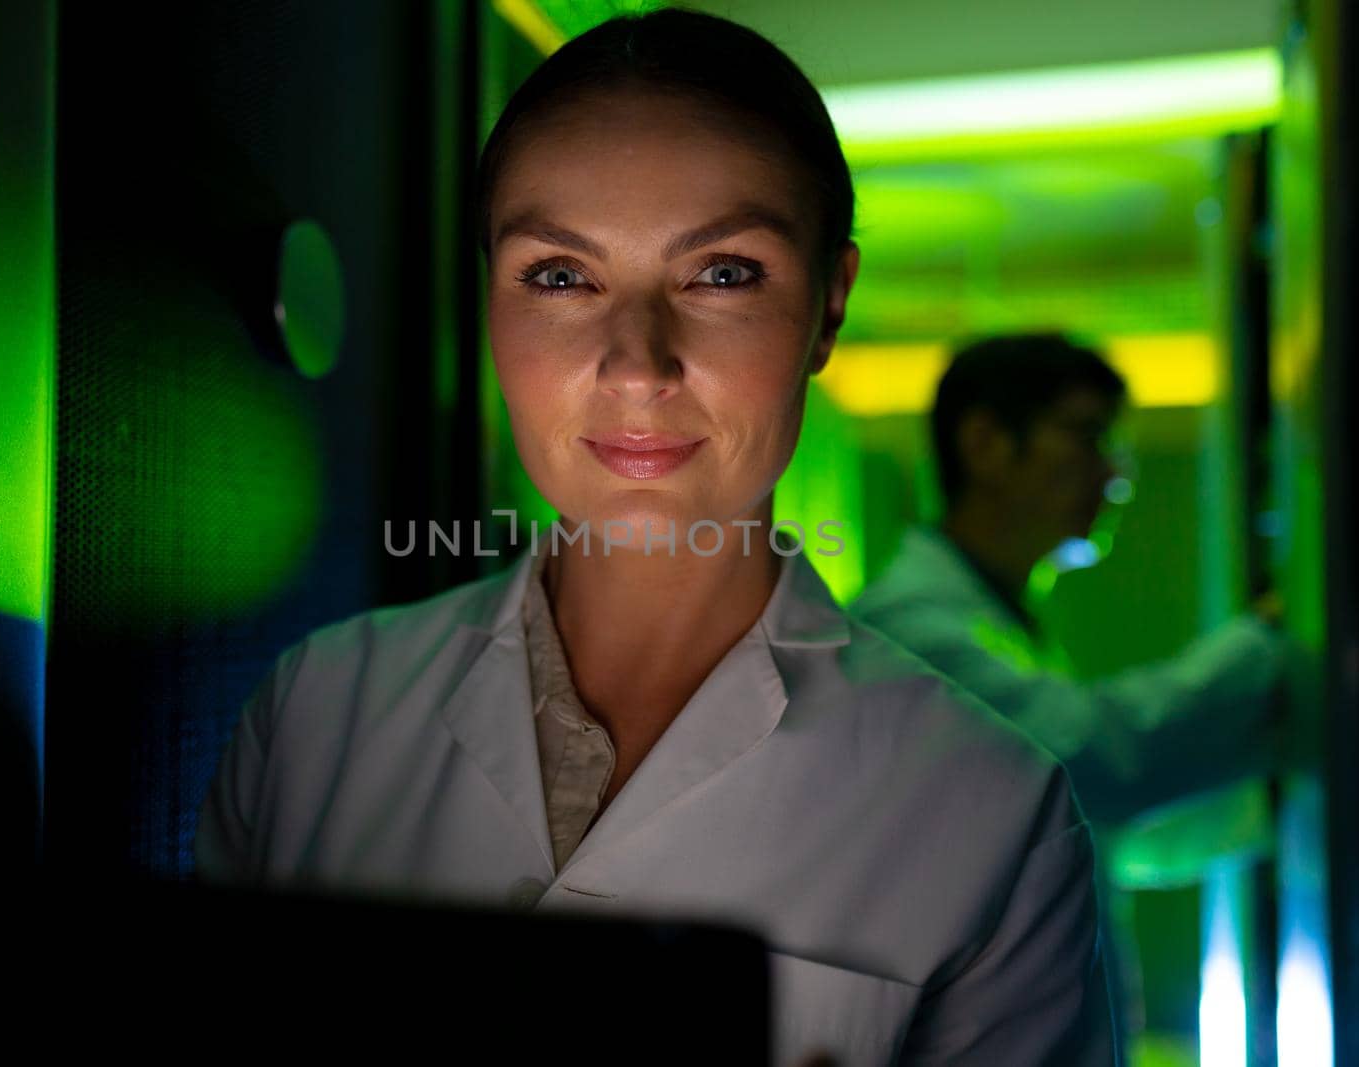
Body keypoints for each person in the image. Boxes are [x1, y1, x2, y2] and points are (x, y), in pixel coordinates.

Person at [196, 13, 1114, 1065]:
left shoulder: (992, 810)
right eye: (559, 275)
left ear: (828, 305)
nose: (637, 366)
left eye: (722, 274)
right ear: (486, 294)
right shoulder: (313, 716)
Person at [848, 332, 1288, 1046]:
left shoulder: (998, 629)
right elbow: (1090, 759)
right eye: (1086, 437)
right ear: (987, 442)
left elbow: (1099, 831)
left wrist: (1279, 785)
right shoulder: (905, 633)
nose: (1116, 473)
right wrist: (1275, 636)